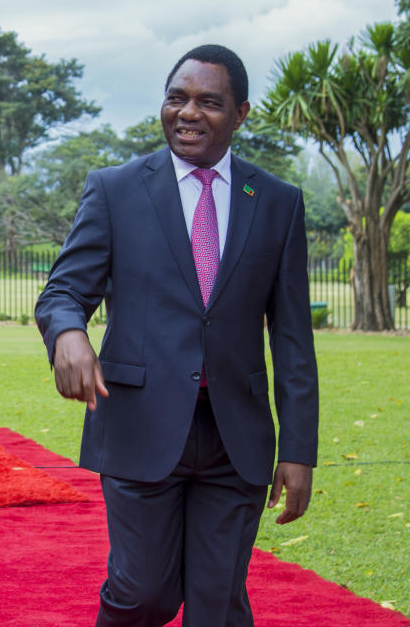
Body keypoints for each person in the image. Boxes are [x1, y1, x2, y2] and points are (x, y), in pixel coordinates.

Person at [35, 45, 318, 626]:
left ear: (240, 114)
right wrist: (68, 335)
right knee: (144, 595)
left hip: (235, 439)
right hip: (140, 427)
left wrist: (298, 449)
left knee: (217, 606)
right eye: (176, 98)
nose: (187, 113)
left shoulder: (279, 203)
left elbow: (292, 338)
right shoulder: (114, 190)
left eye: (208, 102)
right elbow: (64, 292)